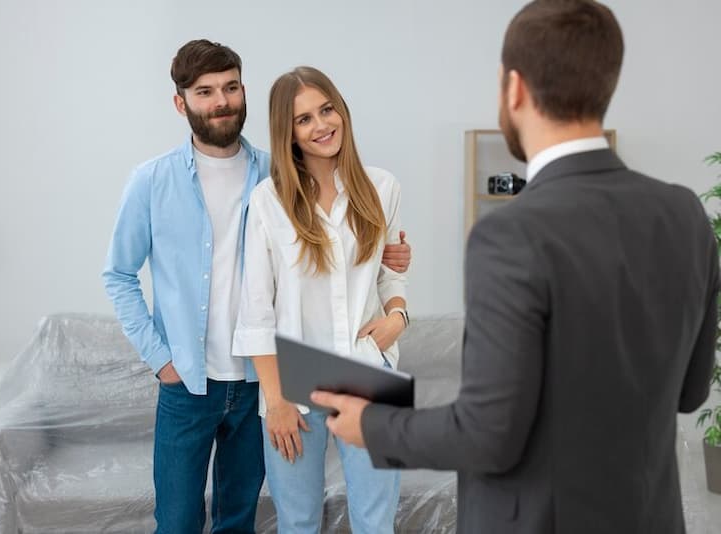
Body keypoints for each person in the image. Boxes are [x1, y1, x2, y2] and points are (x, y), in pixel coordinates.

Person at [312, 2, 720, 533]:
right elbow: (690, 393)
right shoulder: (685, 213)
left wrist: (372, 424)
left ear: (515, 89)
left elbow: (488, 435)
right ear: (605, 84)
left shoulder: (509, 234)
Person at [103, 41, 412, 533]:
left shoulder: (293, 176)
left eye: (229, 87)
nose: (221, 100)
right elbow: (120, 275)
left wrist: (396, 306)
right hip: (220, 377)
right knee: (186, 521)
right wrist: (161, 360)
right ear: (181, 103)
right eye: (205, 92)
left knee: (247, 518)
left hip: (292, 376)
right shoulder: (170, 183)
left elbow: (382, 265)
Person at [232, 66, 409, 533]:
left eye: (326, 110)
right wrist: (276, 402)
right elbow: (255, 311)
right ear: (287, 133)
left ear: (341, 111)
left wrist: (398, 318)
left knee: (377, 523)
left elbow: (390, 277)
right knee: (298, 522)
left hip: (369, 367)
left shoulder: (382, 188)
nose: (321, 125)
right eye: (303, 119)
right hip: (293, 376)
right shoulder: (268, 201)